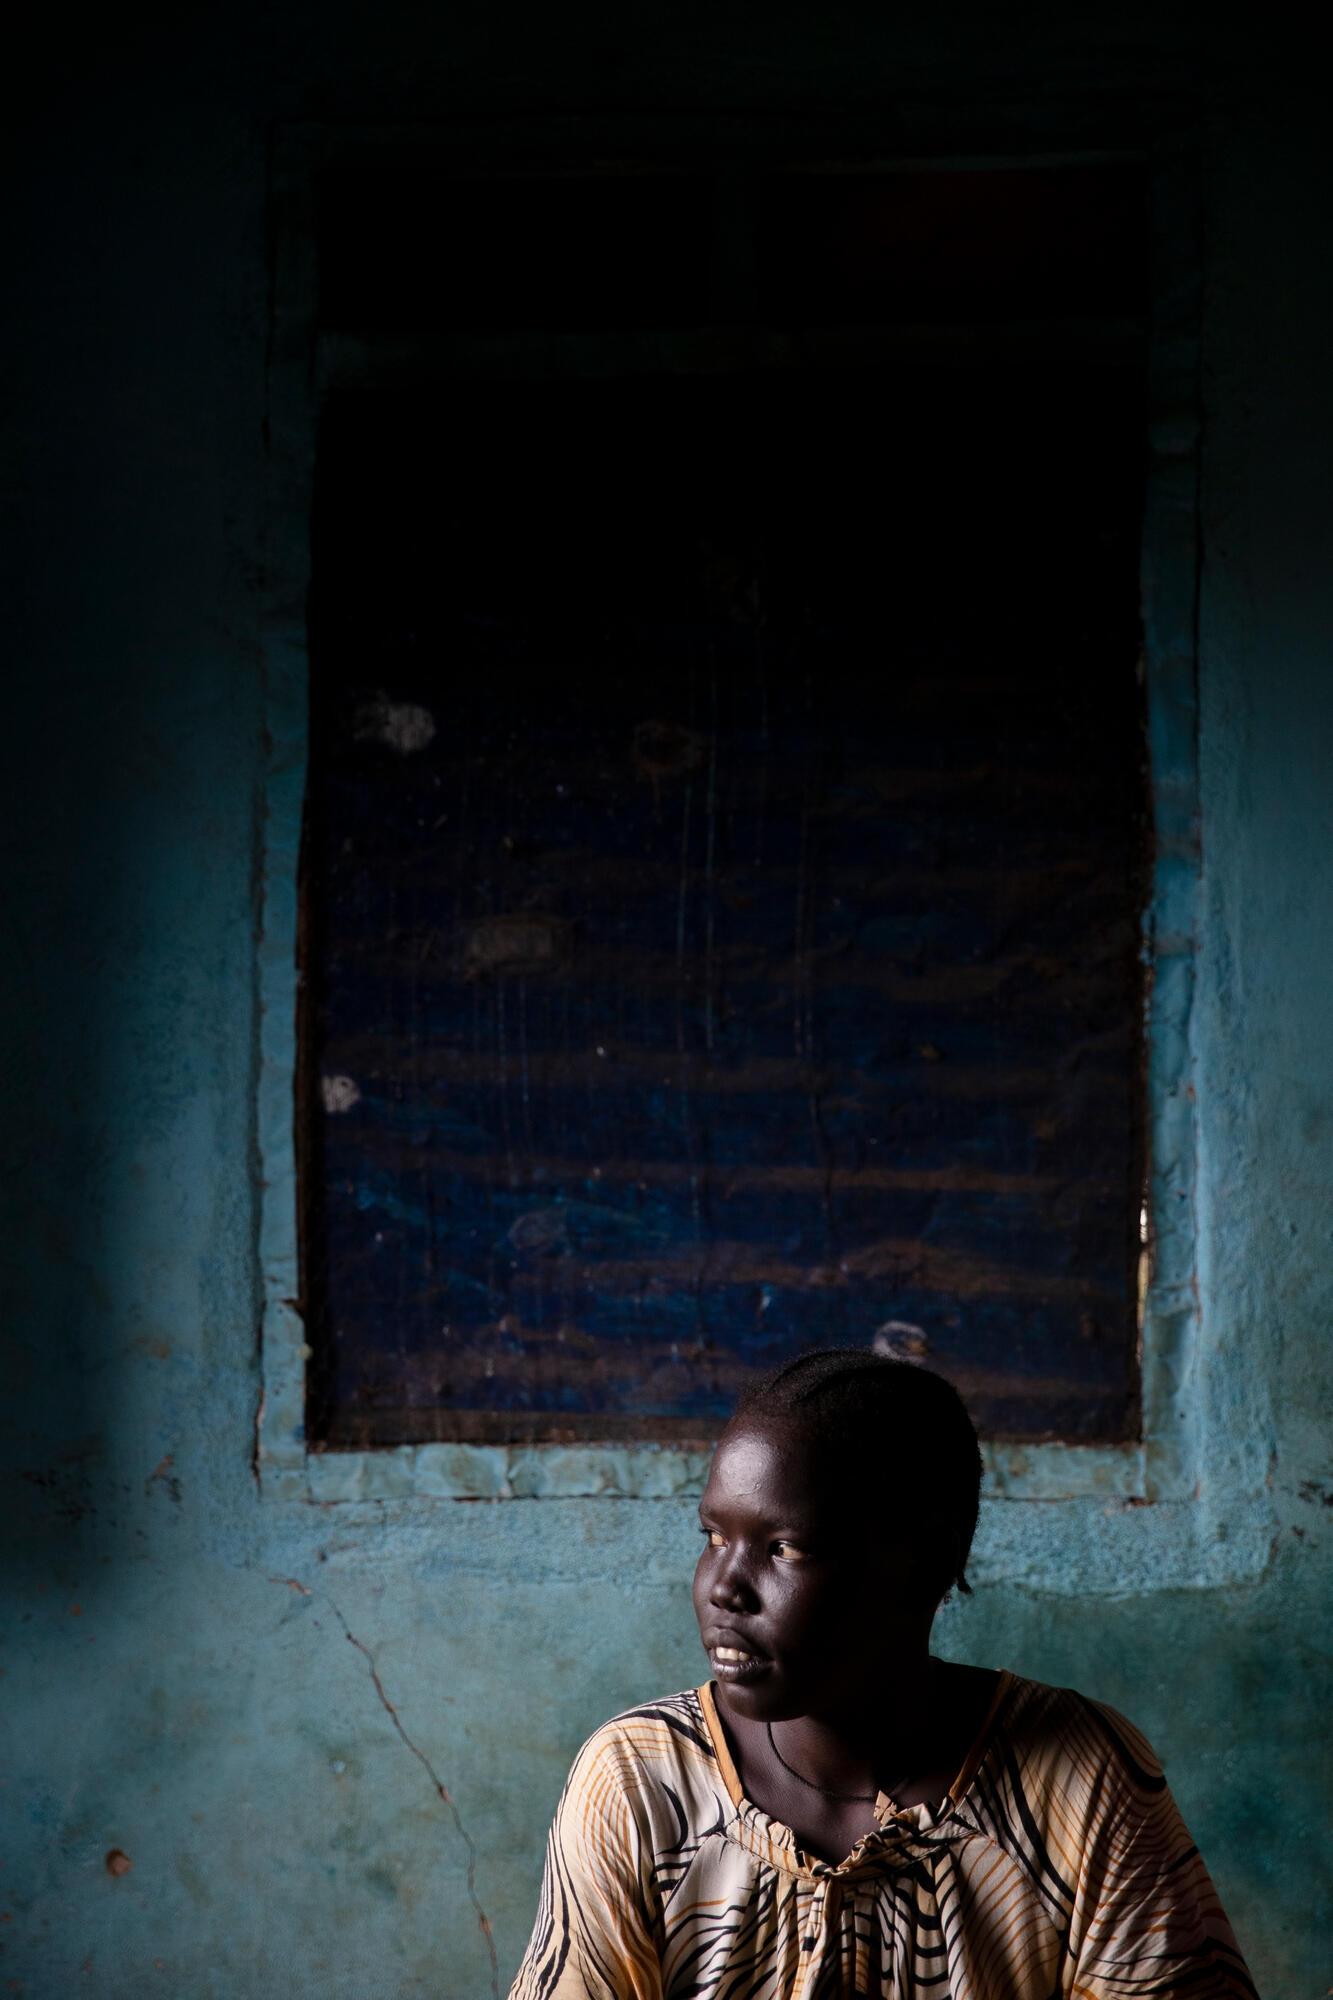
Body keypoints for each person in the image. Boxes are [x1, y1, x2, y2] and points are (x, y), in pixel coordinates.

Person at [509, 1349, 1256, 1998]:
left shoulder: (1078, 1781)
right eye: (713, 1536)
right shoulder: (641, 1781)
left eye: (784, 1549)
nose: (721, 1587)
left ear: (921, 1564)